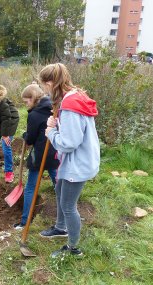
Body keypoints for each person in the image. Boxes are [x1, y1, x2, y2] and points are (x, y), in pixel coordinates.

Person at [38, 63, 100, 257]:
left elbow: (69, 142)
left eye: (44, 85)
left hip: (78, 162)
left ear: (50, 82)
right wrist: (56, 123)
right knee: (59, 190)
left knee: (68, 205)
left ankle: (73, 248)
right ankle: (60, 227)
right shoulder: (72, 96)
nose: (43, 90)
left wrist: (51, 132)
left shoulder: (70, 105)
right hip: (77, 159)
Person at [13, 83, 58, 230]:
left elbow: (30, 139)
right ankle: (66, 216)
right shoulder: (55, 108)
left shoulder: (34, 115)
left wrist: (25, 135)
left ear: (32, 98)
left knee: (30, 188)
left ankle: (25, 222)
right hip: (56, 154)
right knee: (59, 186)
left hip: (39, 156)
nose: (26, 104)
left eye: (26, 101)